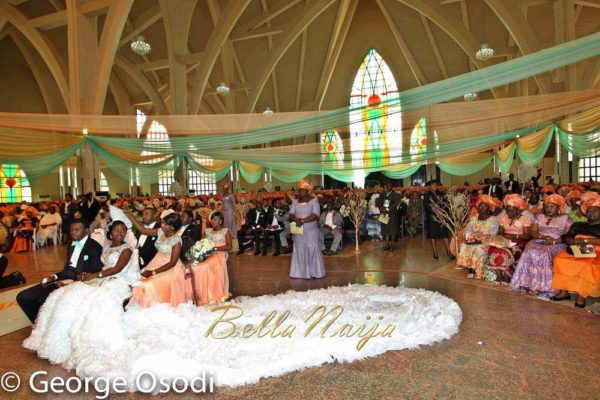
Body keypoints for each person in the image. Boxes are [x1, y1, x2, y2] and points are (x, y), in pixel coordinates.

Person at [22, 220, 140, 366]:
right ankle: (54, 335)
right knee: (63, 296)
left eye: (123, 230)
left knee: (91, 301)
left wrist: (94, 275)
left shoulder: (126, 249)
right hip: (100, 278)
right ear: (111, 232)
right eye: (117, 230)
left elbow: (116, 268)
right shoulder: (107, 246)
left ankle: (85, 339)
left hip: (116, 280)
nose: (120, 233)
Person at [16, 219, 103, 323]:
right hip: (64, 278)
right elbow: (67, 269)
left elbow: (93, 274)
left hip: (80, 283)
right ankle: (40, 324)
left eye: (77, 229)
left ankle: (48, 323)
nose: (73, 232)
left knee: (46, 299)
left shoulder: (95, 247)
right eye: (71, 230)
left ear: (86, 231)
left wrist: (71, 282)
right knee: (23, 297)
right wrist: (53, 276)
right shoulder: (71, 244)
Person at [510, 194, 572, 298]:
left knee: (544, 253)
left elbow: (567, 236)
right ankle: (526, 283)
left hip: (557, 243)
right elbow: (533, 232)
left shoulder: (566, 219)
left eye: (552, 207)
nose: (549, 209)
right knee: (529, 251)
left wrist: (553, 241)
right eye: (547, 207)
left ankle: (545, 287)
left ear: (559, 207)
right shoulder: (539, 217)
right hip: (539, 239)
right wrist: (542, 237)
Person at [551, 193, 600, 308]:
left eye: (595, 210)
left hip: (596, 252)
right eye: (589, 210)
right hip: (577, 250)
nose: (591, 213)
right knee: (560, 259)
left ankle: (581, 295)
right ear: (585, 212)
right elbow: (566, 237)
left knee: (585, 264)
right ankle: (564, 291)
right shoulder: (578, 224)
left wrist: (586, 241)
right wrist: (573, 240)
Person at [129, 211, 186, 307]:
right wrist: (131, 217)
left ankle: (152, 307)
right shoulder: (160, 232)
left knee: (149, 284)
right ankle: (142, 305)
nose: (161, 225)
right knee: (138, 280)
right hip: (156, 262)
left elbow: (172, 263)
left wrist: (153, 272)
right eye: (162, 222)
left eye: (164, 223)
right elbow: (143, 230)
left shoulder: (176, 241)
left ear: (172, 227)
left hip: (170, 268)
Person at [185, 212, 232, 305]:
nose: (213, 221)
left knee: (205, 266)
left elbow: (229, 246)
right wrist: (201, 251)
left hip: (220, 253)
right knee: (193, 266)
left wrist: (214, 248)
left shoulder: (225, 231)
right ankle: (199, 292)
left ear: (220, 221)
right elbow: (201, 243)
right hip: (207, 253)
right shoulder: (207, 231)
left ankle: (210, 293)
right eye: (212, 219)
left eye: (215, 219)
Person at [487, 194, 532, 284]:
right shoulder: (504, 217)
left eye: (512, 210)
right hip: (505, 241)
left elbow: (528, 236)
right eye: (507, 210)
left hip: (519, 242)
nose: (509, 213)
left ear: (519, 209)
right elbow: (501, 231)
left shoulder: (525, 218)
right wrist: (499, 235)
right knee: (493, 248)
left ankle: (507, 276)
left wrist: (513, 236)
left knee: (505, 252)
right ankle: (499, 275)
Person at [288, 180, 325, 279]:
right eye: (299, 190)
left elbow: (315, 215)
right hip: (297, 228)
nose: (299, 192)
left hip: (311, 230)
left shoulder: (314, 201)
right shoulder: (295, 202)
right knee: (299, 250)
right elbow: (291, 214)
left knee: (312, 248)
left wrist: (303, 221)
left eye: (302, 190)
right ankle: (299, 273)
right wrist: (295, 219)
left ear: (308, 191)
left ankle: (314, 272)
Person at [457, 195, 500, 280]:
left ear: (489, 208)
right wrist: (470, 237)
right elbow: (468, 228)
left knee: (479, 248)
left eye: (484, 207)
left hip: (486, 241)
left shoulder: (493, 219)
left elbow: (492, 233)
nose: (482, 209)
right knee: (464, 245)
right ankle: (471, 269)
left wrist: (478, 238)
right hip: (473, 239)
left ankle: (479, 271)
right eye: (480, 207)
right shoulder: (474, 218)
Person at [423, 180, 451, 259]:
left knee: (445, 234)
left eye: (436, 185)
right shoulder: (427, 194)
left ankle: (448, 251)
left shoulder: (442, 194)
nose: (435, 186)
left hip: (442, 217)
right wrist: (435, 212)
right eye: (433, 185)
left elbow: (446, 204)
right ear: (429, 186)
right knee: (433, 235)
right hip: (432, 217)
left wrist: (444, 212)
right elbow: (426, 205)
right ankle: (435, 252)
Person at [377, 183, 401, 251]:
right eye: (387, 185)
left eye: (390, 185)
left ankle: (392, 246)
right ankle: (387, 245)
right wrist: (381, 208)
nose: (388, 186)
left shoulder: (396, 194)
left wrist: (387, 209)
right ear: (385, 186)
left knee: (392, 230)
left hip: (392, 214)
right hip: (384, 214)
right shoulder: (382, 194)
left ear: (392, 187)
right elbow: (378, 202)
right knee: (385, 230)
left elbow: (396, 203)